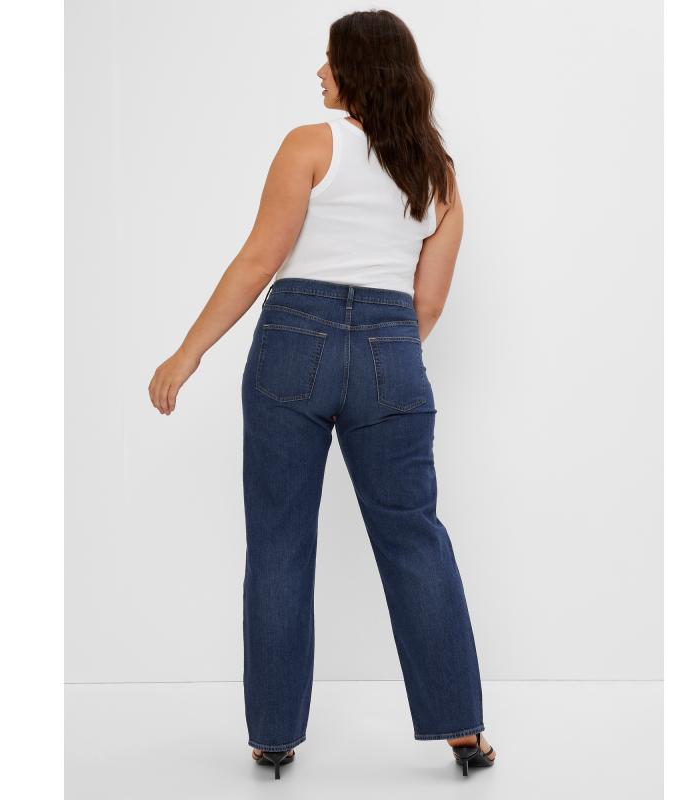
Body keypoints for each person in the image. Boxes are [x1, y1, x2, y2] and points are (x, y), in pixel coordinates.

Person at [148, 9, 495, 780]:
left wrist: (188, 352)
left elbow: (259, 260)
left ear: (357, 69)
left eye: (329, 60)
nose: (319, 72)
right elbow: (429, 302)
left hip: (292, 346)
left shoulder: (309, 144)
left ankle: (274, 736)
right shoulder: (436, 174)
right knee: (414, 537)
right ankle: (463, 730)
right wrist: (382, 354)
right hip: (392, 348)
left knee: (278, 540)